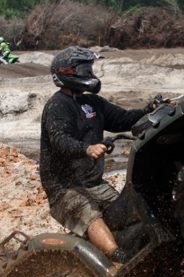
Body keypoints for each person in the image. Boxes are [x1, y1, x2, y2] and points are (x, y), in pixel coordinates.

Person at [39, 46, 156, 264]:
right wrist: (87, 148)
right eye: (85, 69)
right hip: (63, 187)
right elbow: (59, 140)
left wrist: (149, 109)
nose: (90, 75)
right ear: (67, 73)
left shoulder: (93, 103)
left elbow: (124, 119)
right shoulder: (57, 106)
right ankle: (117, 260)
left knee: (130, 209)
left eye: (90, 69)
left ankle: (138, 251)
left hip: (93, 183)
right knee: (89, 214)